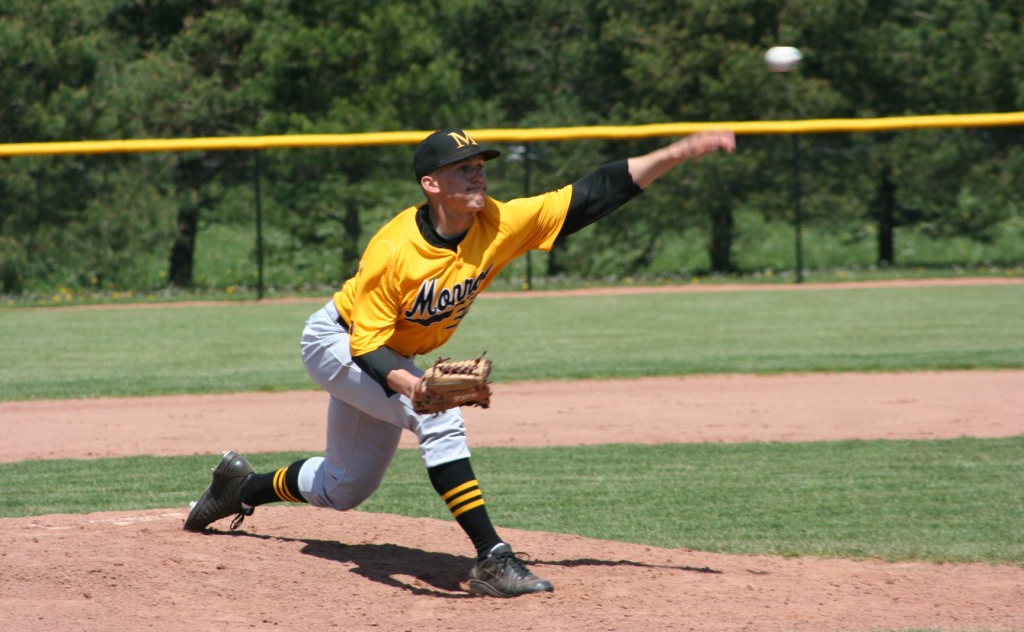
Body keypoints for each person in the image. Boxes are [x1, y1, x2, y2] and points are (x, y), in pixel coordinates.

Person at [183, 126, 736, 597]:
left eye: (480, 166)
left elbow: (593, 192)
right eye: (463, 169)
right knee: (438, 416)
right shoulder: (393, 250)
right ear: (431, 184)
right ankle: (492, 557)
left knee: (343, 488)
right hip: (339, 342)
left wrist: (678, 152)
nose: (479, 177)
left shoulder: (498, 222)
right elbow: (367, 346)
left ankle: (240, 489)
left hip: (392, 352)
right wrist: (414, 388)